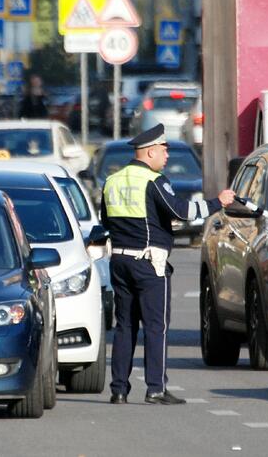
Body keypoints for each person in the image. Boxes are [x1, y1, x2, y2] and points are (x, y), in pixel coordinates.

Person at [101, 123, 235, 405]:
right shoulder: (153, 180)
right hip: (150, 264)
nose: (167, 156)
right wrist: (217, 202)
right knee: (156, 326)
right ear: (149, 152)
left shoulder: (112, 181)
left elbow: (106, 222)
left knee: (125, 326)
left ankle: (119, 390)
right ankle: (155, 389)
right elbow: (183, 211)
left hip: (120, 262)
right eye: (164, 150)